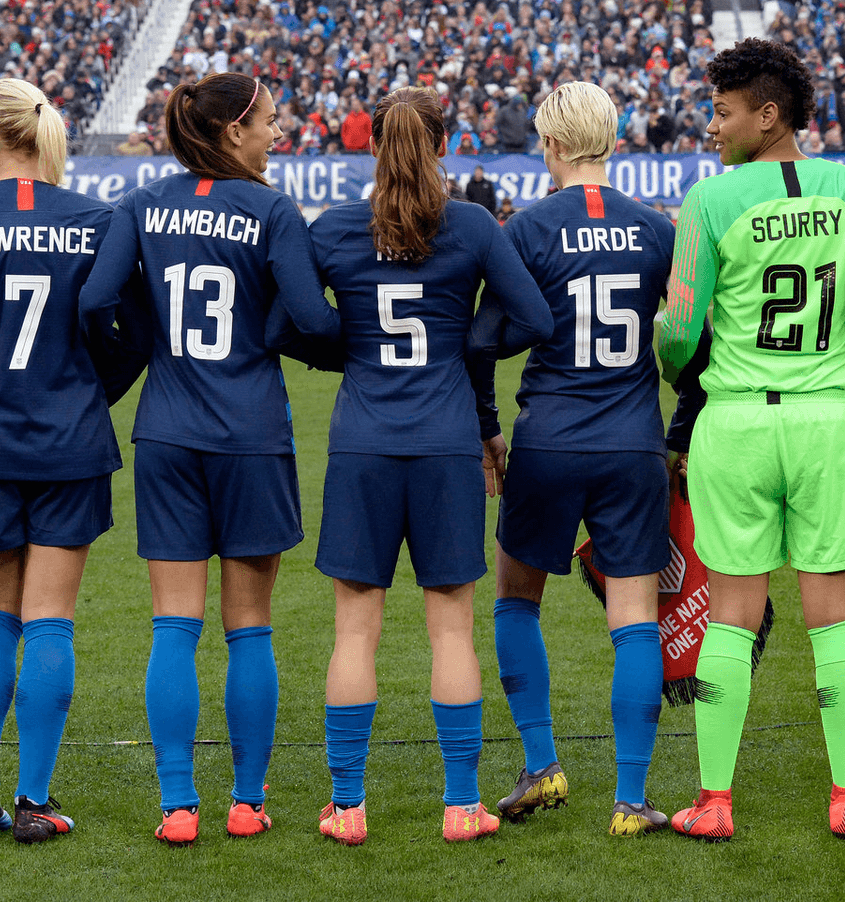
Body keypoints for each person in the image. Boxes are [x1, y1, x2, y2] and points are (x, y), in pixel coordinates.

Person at [655, 38, 845, 841]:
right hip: (829, 420)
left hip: (735, 423)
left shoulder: (709, 202)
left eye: (723, 111)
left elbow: (678, 333)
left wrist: (673, 343)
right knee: (834, 619)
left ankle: (715, 803)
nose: (712, 126)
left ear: (769, 116)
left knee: (730, 615)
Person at [284, 86, 551, 845]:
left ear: (372, 147)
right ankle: (462, 806)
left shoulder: (335, 228)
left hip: (364, 442)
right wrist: (467, 344)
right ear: (445, 144)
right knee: (452, 631)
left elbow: (291, 321)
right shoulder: (468, 224)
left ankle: (347, 807)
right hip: (446, 442)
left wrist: (350, 348)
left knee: (355, 632)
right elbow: (532, 315)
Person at [79, 72, 338, 845]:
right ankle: (248, 802)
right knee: (249, 628)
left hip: (167, 431)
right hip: (252, 434)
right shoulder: (271, 209)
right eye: (267, 120)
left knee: (173, 626)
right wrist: (271, 337)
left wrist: (146, 338)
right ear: (232, 133)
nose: (276, 130)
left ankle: (177, 805)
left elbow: (95, 300)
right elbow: (315, 322)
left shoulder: (143, 203)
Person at [0, 80, 146, 843]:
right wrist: (93, 389)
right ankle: (34, 803)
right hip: (70, 437)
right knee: (51, 621)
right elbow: (133, 331)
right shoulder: (98, 219)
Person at [474, 82, 678, 835]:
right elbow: (693, 340)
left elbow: (482, 340)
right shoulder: (656, 230)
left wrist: (489, 432)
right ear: (614, 141)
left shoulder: (525, 230)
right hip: (632, 443)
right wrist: (679, 430)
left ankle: (541, 764)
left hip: (550, 437)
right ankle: (631, 799)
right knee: (634, 619)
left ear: (551, 146)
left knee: (516, 600)